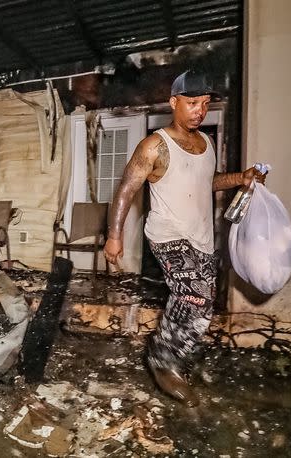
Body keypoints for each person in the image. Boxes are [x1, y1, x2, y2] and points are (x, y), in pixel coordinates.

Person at [102, 69, 265, 407]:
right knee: (193, 296)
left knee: (200, 305)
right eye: (192, 103)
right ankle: (163, 362)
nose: (199, 111)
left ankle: (171, 348)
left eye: (205, 104)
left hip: (201, 237)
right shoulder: (154, 146)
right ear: (174, 102)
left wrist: (241, 178)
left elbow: (207, 181)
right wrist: (114, 236)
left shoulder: (205, 144)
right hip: (168, 234)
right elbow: (125, 191)